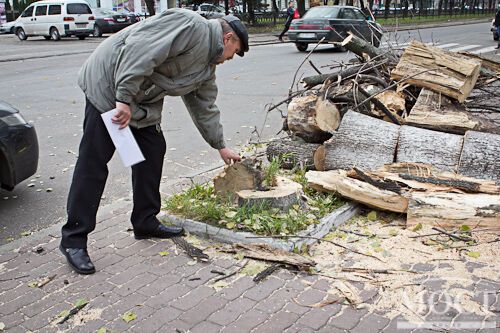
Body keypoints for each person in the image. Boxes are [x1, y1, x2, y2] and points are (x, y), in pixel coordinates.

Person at [60, 8, 248, 275]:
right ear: (228, 38)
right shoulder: (190, 24)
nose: (230, 59)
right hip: (110, 88)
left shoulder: (206, 66)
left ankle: (145, 221)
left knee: (152, 150)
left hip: (140, 101)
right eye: (235, 52)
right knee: (95, 161)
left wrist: (220, 145)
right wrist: (123, 98)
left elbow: (205, 106)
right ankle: (74, 240)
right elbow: (139, 50)